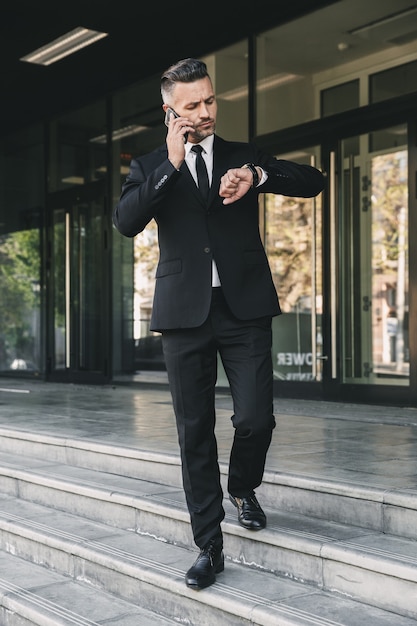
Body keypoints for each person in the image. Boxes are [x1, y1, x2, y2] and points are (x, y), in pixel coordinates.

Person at [113, 57, 325, 591]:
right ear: (170, 111)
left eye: (210, 101)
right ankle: (209, 544)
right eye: (192, 105)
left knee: (255, 419)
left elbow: (313, 181)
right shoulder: (150, 166)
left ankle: (243, 485)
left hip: (244, 308)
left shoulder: (242, 156)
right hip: (184, 316)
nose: (205, 112)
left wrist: (258, 176)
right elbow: (126, 221)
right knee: (194, 434)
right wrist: (170, 161)